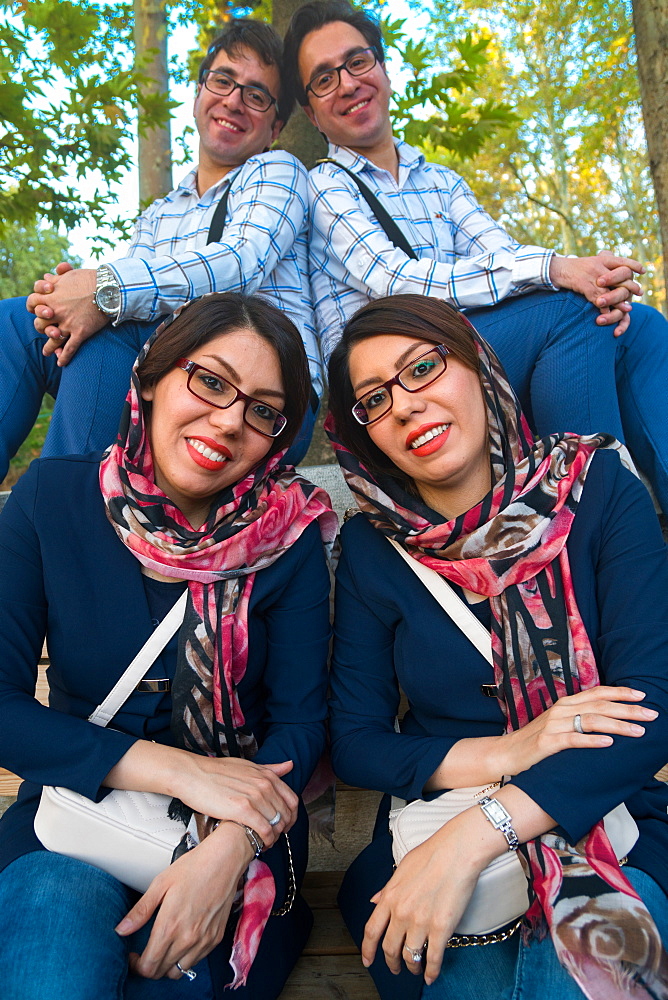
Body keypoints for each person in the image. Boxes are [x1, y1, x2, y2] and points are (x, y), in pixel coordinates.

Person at [325, 293, 668, 999]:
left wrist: (483, 831)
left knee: (578, 974)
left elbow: (651, 705)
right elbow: (356, 740)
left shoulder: (600, 488)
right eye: (375, 399)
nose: (406, 405)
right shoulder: (372, 547)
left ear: (479, 367)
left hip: (609, 822)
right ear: (365, 435)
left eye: (422, 367)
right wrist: (508, 754)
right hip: (432, 836)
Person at [0, 291, 336, 1000]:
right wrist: (178, 771)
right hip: (77, 814)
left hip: (241, 835)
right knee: (51, 926)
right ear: (152, 377)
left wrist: (230, 847)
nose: (227, 421)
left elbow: (302, 725)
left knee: (181, 981)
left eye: (262, 411)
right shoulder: (53, 498)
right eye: (210, 381)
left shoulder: (291, 535)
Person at [282, 0, 668, 513]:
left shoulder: (441, 180)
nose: (349, 84)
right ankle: (598, 517)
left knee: (637, 324)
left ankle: (628, 493)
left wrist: (590, 278)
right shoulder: (324, 185)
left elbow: (502, 256)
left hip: (467, 355)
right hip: (388, 379)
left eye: (357, 62)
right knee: (570, 313)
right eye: (324, 79)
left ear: (382, 67)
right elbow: (394, 277)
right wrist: (557, 268)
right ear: (311, 113)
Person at [0, 18, 322, 480]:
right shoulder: (159, 212)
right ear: (197, 94)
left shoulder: (277, 171)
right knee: (19, 323)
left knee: (110, 325)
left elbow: (240, 263)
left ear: (275, 127)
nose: (233, 100)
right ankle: (68, 499)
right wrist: (67, 301)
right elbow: (125, 302)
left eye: (256, 95)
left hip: (260, 390)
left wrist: (102, 289)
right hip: (164, 379)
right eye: (223, 81)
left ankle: (62, 516)